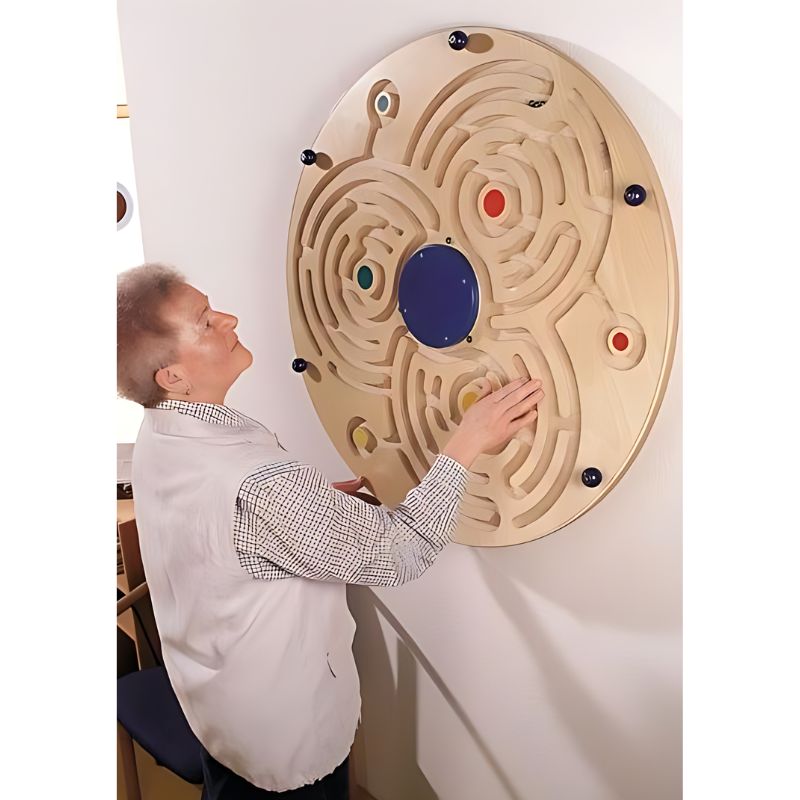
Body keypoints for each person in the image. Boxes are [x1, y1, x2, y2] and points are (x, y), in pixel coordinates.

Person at [118, 263, 544, 799]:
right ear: (172, 377)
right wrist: (468, 442)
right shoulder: (256, 486)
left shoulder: (159, 434)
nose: (228, 320)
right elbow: (402, 552)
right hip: (278, 738)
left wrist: (309, 512)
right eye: (205, 322)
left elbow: (217, 530)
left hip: (216, 702)